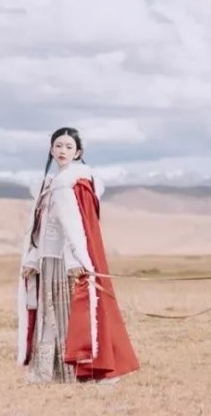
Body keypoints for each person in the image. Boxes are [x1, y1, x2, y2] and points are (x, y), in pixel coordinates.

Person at [17, 125, 139, 385]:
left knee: (67, 314)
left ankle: (74, 373)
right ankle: (47, 373)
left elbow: (76, 229)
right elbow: (40, 226)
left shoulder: (74, 185)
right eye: (58, 146)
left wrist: (76, 262)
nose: (62, 151)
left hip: (66, 262)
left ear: (78, 152)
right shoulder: (48, 185)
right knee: (47, 315)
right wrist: (32, 257)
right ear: (51, 149)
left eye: (68, 147)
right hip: (46, 261)